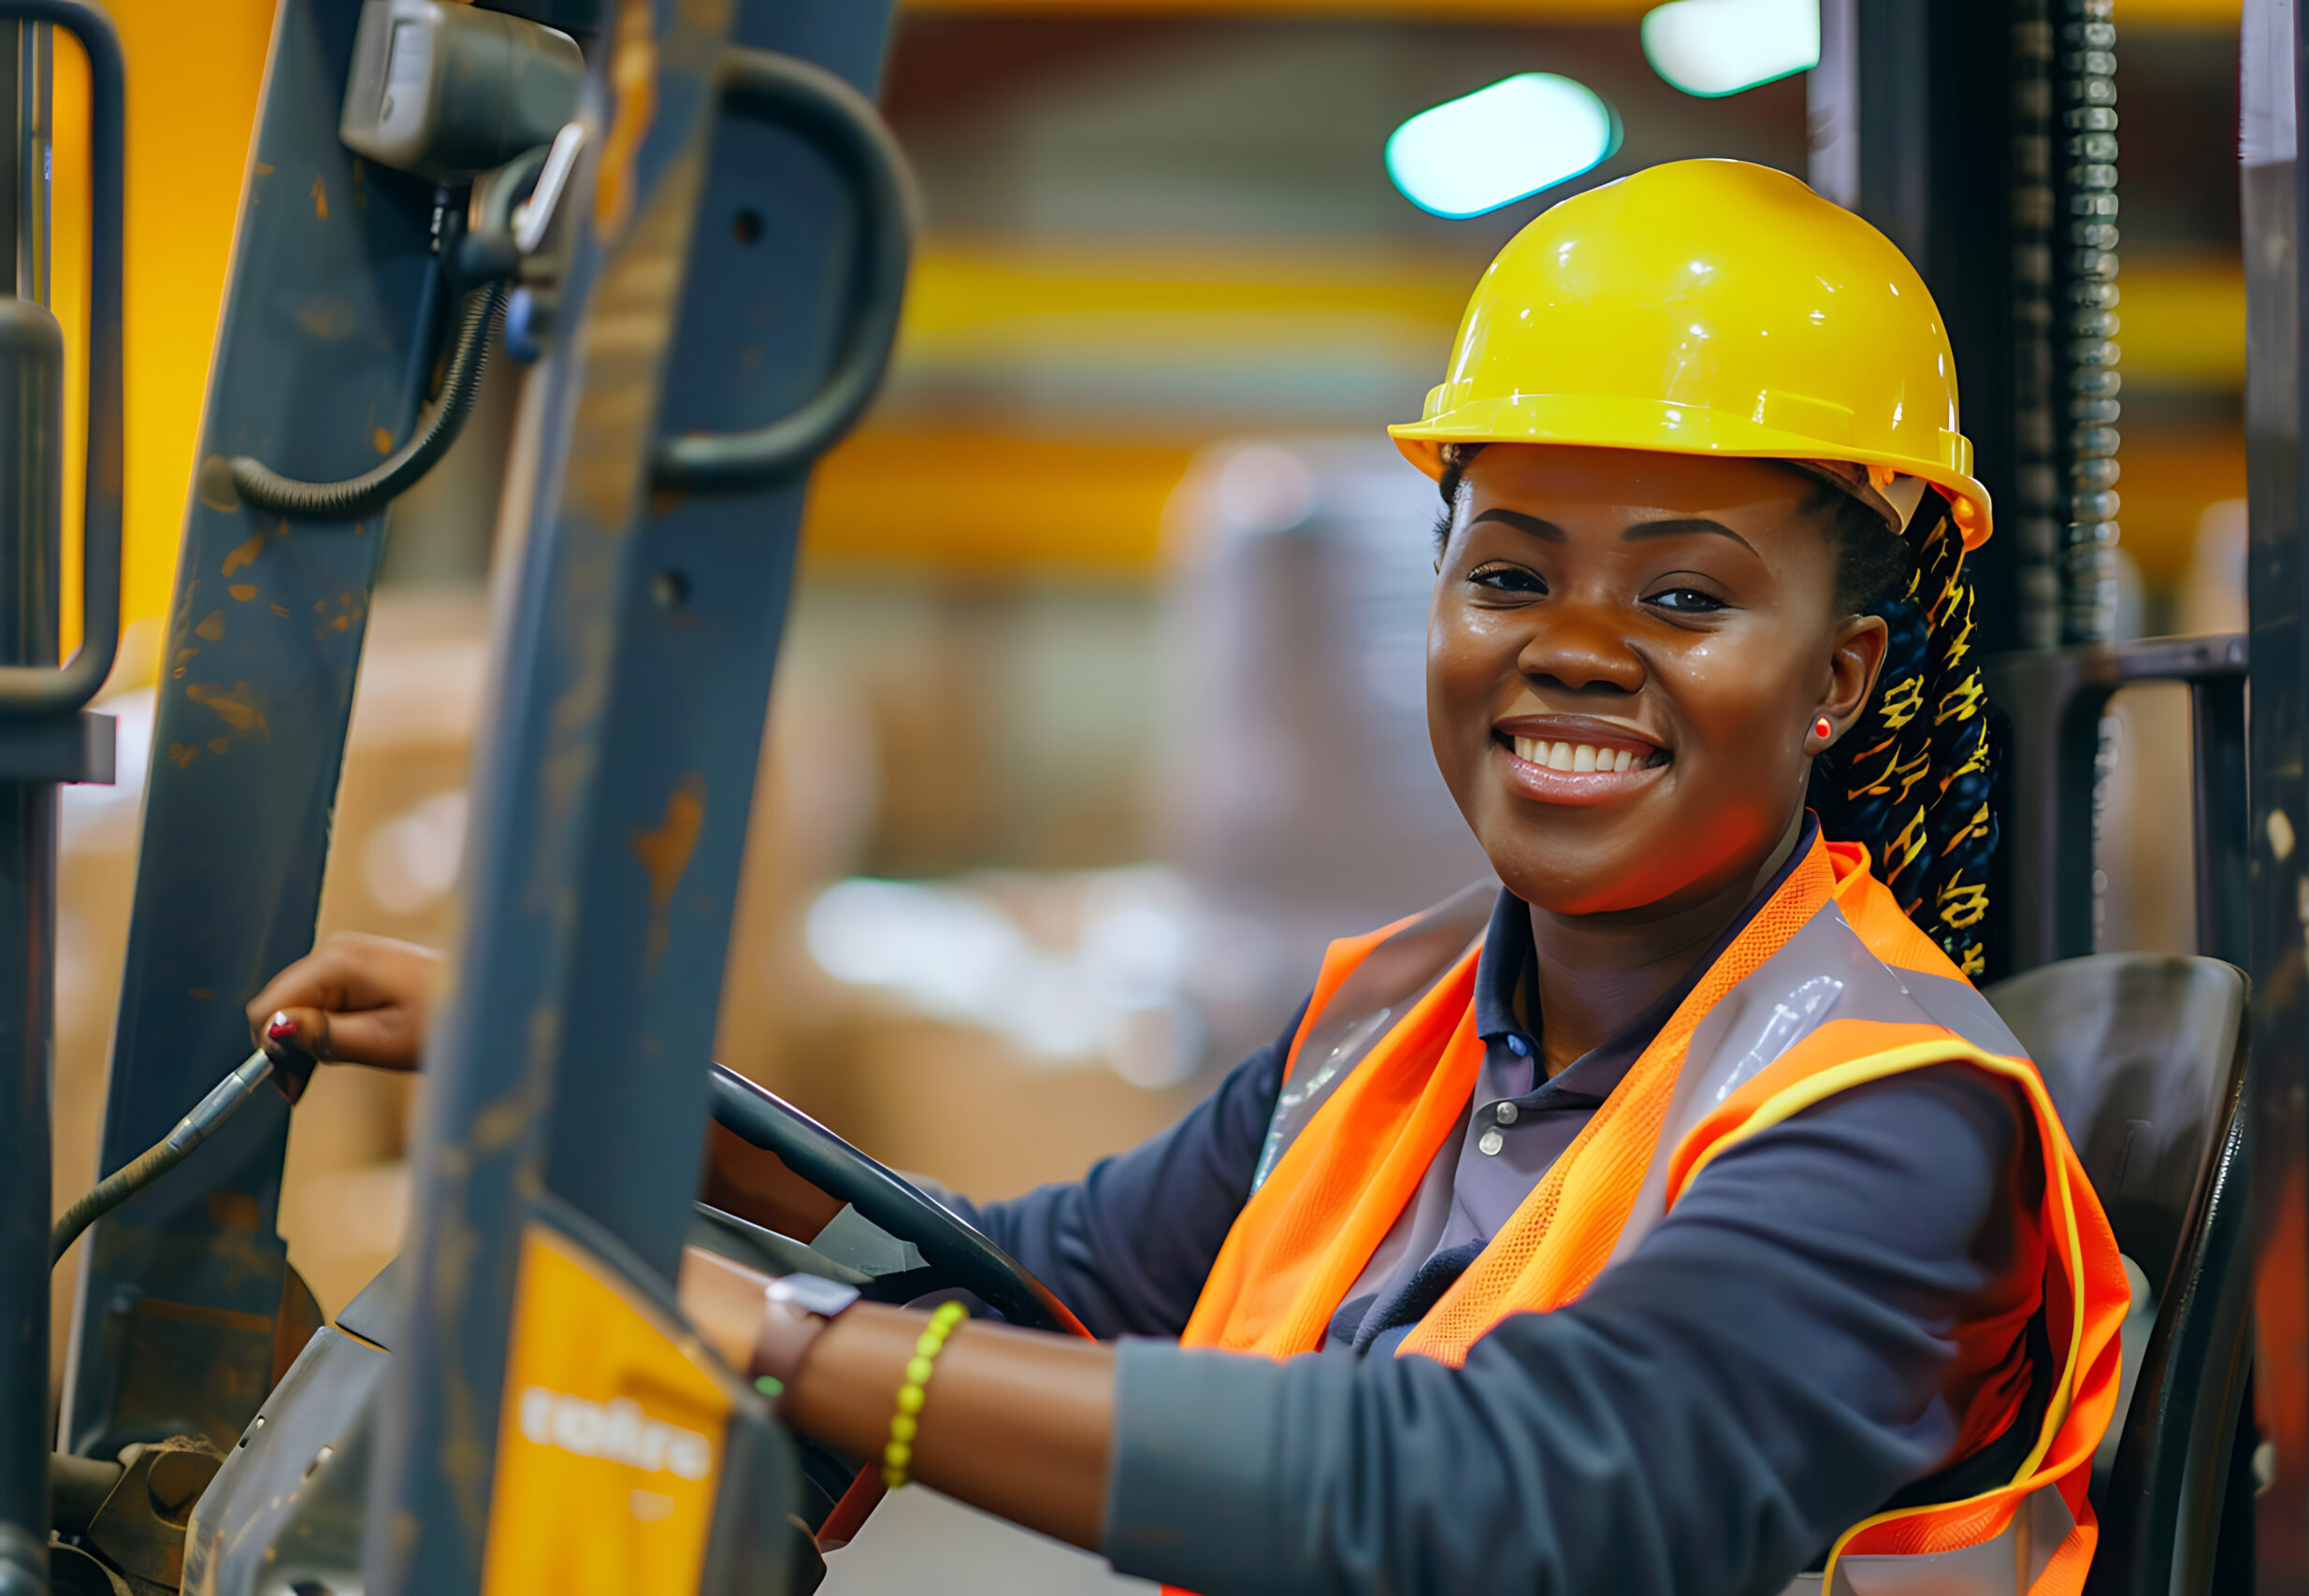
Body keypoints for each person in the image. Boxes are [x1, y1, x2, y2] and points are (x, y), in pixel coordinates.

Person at [249, 160, 2128, 1596]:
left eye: (1683, 593)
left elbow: (1500, 1487)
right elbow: (1026, 1287)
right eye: (1507, 570)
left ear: (1841, 678)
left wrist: (790, 1340)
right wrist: (583, 1081)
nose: (1568, 642)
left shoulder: (1889, 1121)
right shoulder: (1398, 1021)